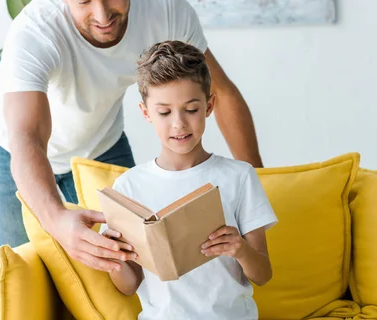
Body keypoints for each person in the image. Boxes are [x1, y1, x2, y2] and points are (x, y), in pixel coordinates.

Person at [0, 0, 263, 273]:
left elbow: (221, 93)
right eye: (83, 0)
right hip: (16, 156)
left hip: (103, 143)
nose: (102, 16)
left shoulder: (165, 9)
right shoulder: (35, 31)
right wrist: (56, 218)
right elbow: (28, 137)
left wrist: (260, 183)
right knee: (22, 273)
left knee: (136, 267)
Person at [101, 40, 276, 319]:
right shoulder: (129, 187)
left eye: (191, 109)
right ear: (146, 113)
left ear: (209, 106)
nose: (179, 124)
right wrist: (115, 257)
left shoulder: (239, 176)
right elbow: (128, 286)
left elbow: (263, 275)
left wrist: (240, 249)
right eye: (164, 112)